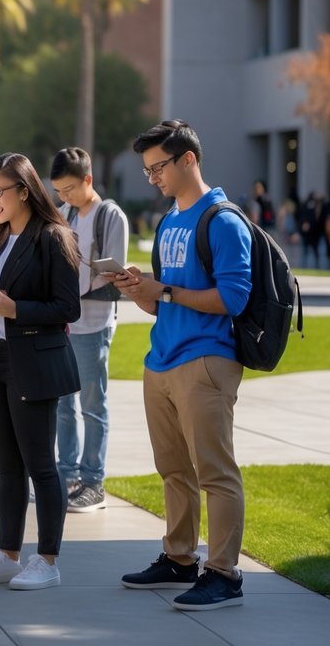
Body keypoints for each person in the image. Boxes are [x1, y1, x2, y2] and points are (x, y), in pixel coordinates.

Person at [114, 120, 252, 611]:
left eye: (158, 167)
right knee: (173, 470)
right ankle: (179, 559)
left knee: (214, 473)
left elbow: (234, 298)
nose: (152, 177)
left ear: (188, 159)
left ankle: (224, 574)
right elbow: (163, 302)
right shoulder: (172, 219)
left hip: (206, 361)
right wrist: (142, 290)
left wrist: (165, 290)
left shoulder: (222, 219)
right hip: (162, 359)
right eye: (147, 169)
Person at [0, 152, 80, 592]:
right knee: (6, 466)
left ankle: (47, 559)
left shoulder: (53, 237)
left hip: (33, 361)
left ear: (24, 191)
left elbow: (68, 307)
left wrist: (14, 309)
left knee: (41, 465)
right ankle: (7, 554)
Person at [49, 147, 129, 513]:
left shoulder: (110, 216)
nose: (63, 198)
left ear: (88, 180)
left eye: (69, 189)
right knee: (64, 405)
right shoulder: (64, 214)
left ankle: (93, 482)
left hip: (93, 322)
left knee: (92, 404)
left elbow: (114, 273)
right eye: (58, 192)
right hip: (64, 323)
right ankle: (66, 475)